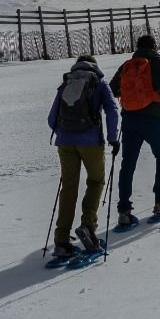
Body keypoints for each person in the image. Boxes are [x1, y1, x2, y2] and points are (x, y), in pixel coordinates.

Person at [47, 54, 120, 259]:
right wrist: (113, 138)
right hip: (90, 141)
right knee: (96, 181)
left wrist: (64, 131)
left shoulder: (67, 81)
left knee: (69, 187)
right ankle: (88, 225)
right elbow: (112, 110)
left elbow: (52, 118)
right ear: (94, 65)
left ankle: (61, 241)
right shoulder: (98, 81)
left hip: (65, 142)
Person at [111, 34, 160, 227]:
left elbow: (113, 89)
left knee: (128, 164)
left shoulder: (127, 65)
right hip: (153, 118)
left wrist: (130, 94)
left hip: (129, 118)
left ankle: (124, 211)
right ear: (154, 46)